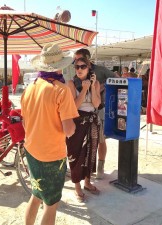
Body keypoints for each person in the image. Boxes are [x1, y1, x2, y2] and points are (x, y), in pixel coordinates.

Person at [21, 43, 79, 225]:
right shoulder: (61, 90)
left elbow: (25, 122)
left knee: (36, 194)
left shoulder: (30, 88)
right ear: (61, 66)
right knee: (51, 204)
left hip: (32, 150)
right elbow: (69, 130)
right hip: (52, 155)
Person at [74, 48, 118, 179]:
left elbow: (117, 78)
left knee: (100, 140)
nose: (77, 65)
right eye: (76, 62)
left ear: (87, 60)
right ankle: (84, 169)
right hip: (80, 113)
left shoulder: (100, 70)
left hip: (98, 109)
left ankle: (100, 165)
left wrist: (103, 86)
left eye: (80, 61)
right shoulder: (76, 72)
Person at [66, 57, 101, 202]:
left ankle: (87, 182)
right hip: (77, 122)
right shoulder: (71, 83)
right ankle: (77, 187)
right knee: (75, 153)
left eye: (83, 66)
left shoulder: (96, 83)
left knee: (91, 153)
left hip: (91, 121)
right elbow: (74, 106)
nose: (79, 69)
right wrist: (84, 88)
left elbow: (97, 103)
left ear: (89, 68)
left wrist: (92, 87)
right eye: (77, 67)